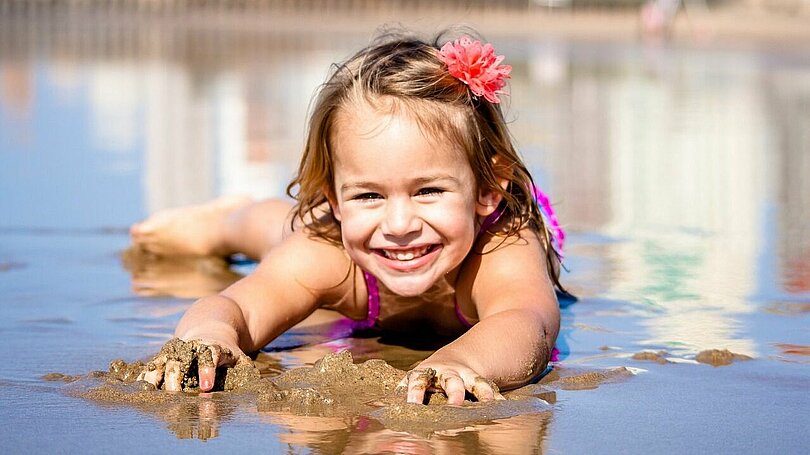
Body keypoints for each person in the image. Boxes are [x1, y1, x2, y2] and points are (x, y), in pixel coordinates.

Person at [131, 29, 566, 405]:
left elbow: (527, 322)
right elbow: (238, 307)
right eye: (369, 194)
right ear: (335, 199)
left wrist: (461, 361)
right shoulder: (332, 247)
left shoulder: (503, 247)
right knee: (283, 231)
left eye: (429, 190)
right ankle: (223, 222)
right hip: (330, 234)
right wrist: (209, 335)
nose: (399, 225)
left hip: (465, 226)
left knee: (304, 233)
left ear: (488, 188)